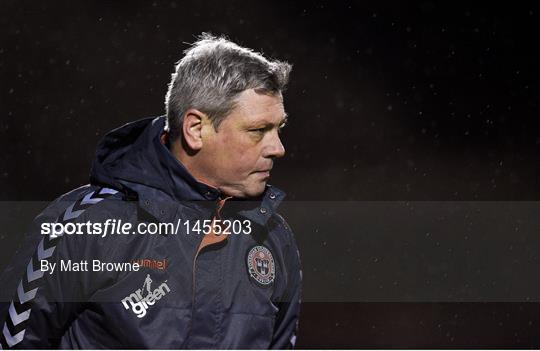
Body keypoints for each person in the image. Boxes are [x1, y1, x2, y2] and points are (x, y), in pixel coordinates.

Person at [0, 33, 301, 349]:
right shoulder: (84, 226)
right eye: (258, 131)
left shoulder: (275, 239)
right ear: (196, 129)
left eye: (278, 129)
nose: (278, 148)